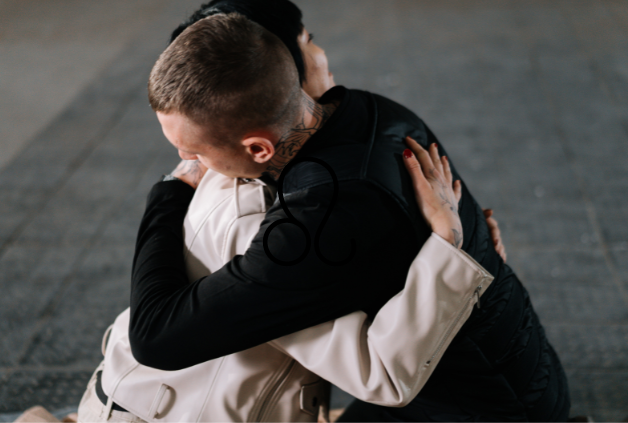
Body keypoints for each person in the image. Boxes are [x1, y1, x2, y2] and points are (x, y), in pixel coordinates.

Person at [128, 1, 570, 420]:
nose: (190, 167)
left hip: (480, 407)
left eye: (192, 155)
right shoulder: (370, 111)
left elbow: (156, 337)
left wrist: (168, 193)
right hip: (508, 366)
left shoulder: (318, 218)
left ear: (259, 147)